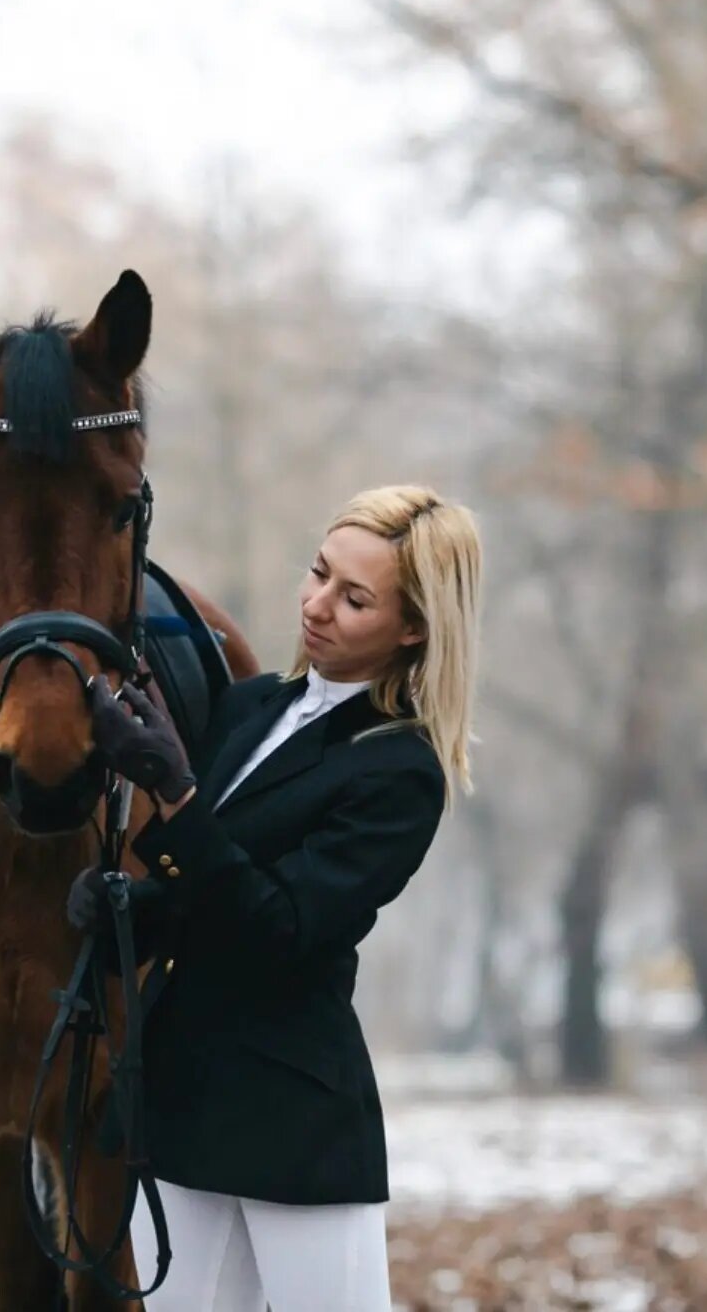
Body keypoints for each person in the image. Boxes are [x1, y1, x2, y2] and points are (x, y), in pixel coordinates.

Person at [67, 484, 481, 1312]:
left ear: (414, 630)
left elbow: (280, 929)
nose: (318, 606)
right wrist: (127, 903)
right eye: (319, 573)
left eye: (354, 598)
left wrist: (177, 795)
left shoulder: (400, 770)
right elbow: (208, 895)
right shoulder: (252, 706)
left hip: (293, 1118)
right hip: (180, 1095)